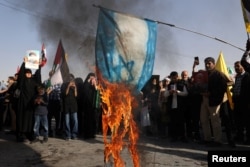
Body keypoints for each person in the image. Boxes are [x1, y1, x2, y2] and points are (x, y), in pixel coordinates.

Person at [200, 57, 229, 147]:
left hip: (214, 100)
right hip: (204, 99)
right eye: (206, 63)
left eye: (209, 63)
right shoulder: (204, 74)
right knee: (203, 119)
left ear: (214, 64)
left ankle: (217, 140)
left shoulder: (219, 74)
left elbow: (223, 87)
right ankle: (207, 139)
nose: (207, 65)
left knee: (215, 120)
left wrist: (211, 93)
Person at [16, 57, 42, 142]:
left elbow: (38, 76)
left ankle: (30, 135)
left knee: (31, 120)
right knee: (22, 119)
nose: (28, 74)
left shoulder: (34, 81)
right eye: (26, 73)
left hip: (31, 104)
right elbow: (20, 75)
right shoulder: (22, 81)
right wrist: (24, 63)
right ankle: (21, 135)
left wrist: (39, 65)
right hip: (23, 103)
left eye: (29, 73)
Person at [164, 71, 188, 142]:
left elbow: (186, 93)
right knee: (173, 122)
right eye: (172, 78)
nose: (174, 79)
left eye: (175, 78)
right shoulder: (168, 86)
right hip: (172, 106)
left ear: (177, 77)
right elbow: (165, 94)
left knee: (181, 122)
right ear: (170, 78)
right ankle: (174, 137)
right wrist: (169, 92)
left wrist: (178, 92)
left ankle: (182, 136)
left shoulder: (182, 84)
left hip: (180, 106)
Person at [232, 61, 250, 144]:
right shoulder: (237, 77)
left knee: (247, 121)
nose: (236, 68)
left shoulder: (247, 76)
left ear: (243, 66)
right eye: (235, 67)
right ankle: (240, 136)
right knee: (238, 120)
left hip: (245, 102)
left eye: (238, 66)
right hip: (237, 101)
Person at [44, 71, 62, 137]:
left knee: (58, 118)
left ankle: (57, 131)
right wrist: (48, 89)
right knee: (49, 118)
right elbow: (44, 90)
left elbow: (60, 90)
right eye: (51, 75)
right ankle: (49, 132)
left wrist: (52, 88)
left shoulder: (59, 82)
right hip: (50, 102)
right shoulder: (46, 82)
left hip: (57, 101)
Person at [61, 74, 78, 140]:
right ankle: (68, 135)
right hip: (66, 105)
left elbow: (76, 95)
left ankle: (74, 134)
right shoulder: (64, 85)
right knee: (67, 121)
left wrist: (75, 88)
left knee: (75, 120)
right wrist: (68, 86)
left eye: (72, 79)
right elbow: (65, 94)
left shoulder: (75, 86)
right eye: (70, 79)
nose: (71, 80)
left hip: (73, 105)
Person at [82, 73, 98, 139]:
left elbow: (97, 90)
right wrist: (88, 81)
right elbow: (85, 92)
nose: (93, 79)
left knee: (93, 120)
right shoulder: (86, 84)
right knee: (87, 120)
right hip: (87, 105)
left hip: (93, 105)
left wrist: (94, 84)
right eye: (91, 78)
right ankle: (87, 134)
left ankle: (92, 133)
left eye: (93, 78)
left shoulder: (94, 85)